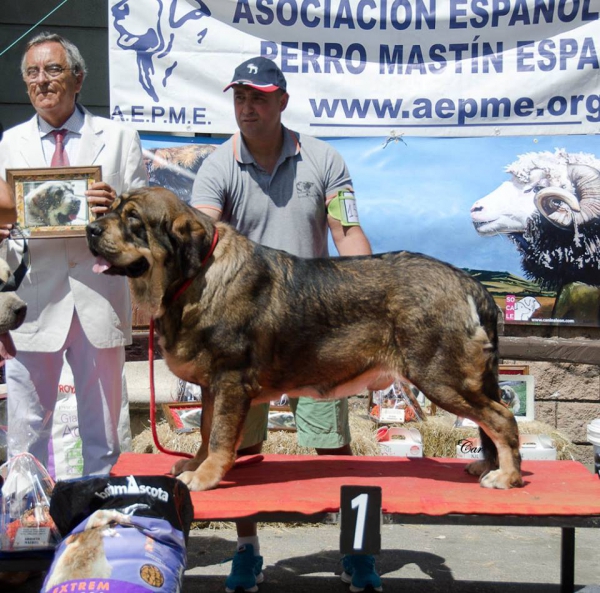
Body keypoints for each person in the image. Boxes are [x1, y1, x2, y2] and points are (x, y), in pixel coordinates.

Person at [190, 57, 381, 593]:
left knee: (332, 446)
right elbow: (203, 244)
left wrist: (373, 302)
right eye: (240, 98)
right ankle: (247, 552)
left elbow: (347, 235)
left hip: (313, 330)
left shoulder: (323, 158)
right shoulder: (216, 165)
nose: (247, 107)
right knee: (239, 452)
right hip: (241, 337)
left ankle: (358, 551)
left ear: (282, 102)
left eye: (259, 97)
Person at [0, 32, 147, 476]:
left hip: (98, 295)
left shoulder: (120, 137)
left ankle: (102, 524)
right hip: (32, 300)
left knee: (104, 429)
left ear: (78, 79)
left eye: (53, 70)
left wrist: (117, 203)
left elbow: (145, 215)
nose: (42, 81)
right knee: (26, 429)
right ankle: (27, 528)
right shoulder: (8, 143)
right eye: (32, 73)